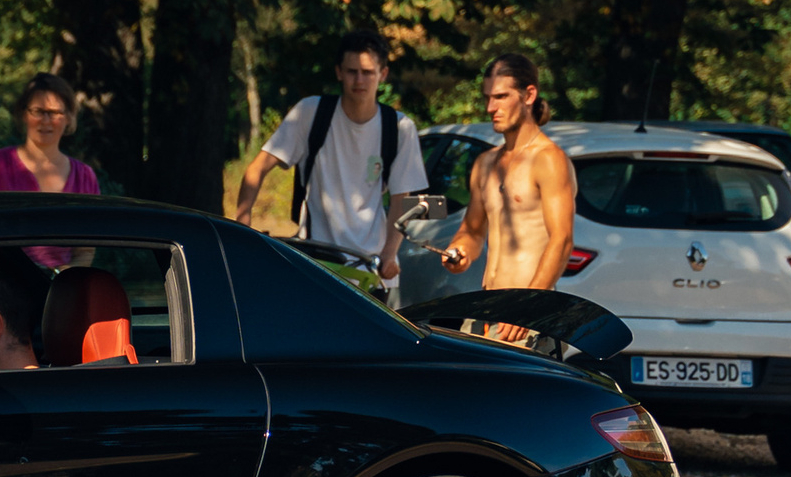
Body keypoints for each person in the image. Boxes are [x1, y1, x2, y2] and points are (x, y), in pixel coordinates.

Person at [234, 31, 428, 283]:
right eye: (351, 71)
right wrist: (243, 224)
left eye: (368, 72)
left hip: (371, 267)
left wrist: (389, 254)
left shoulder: (399, 127)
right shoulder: (311, 113)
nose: (359, 80)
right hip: (315, 263)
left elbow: (403, 198)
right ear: (338, 72)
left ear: (383, 74)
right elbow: (257, 168)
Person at [440, 49, 576, 337]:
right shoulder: (486, 163)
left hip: (528, 317)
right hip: (487, 312)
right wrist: (459, 251)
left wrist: (528, 306)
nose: (490, 107)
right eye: (487, 97)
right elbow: (473, 232)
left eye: (501, 97)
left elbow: (562, 240)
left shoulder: (548, 159)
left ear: (528, 95)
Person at [0, 73, 98, 203]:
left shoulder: (84, 178)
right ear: (24, 114)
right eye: (38, 111)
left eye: (55, 112)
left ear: (68, 118)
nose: (46, 120)